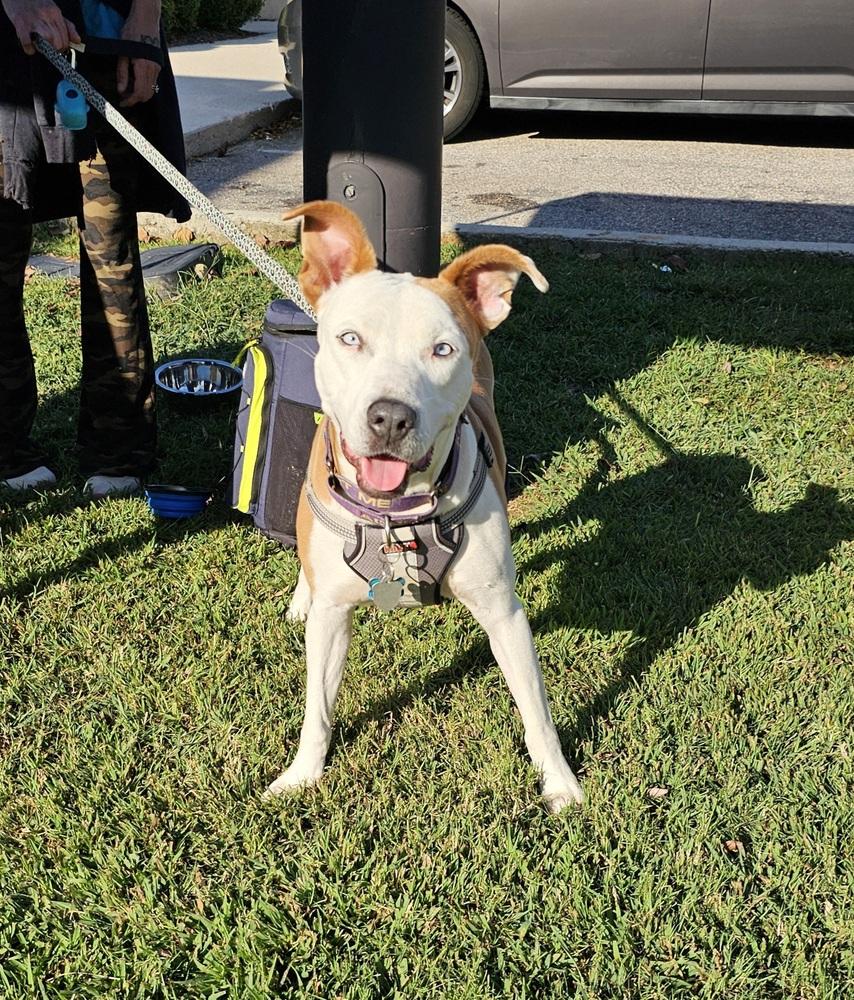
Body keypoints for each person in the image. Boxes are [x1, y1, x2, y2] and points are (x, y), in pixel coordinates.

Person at [0, 0, 189, 497]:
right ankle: (6, 446)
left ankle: (118, 446)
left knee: (112, 257)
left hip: (103, 43)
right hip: (5, 52)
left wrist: (145, 21)